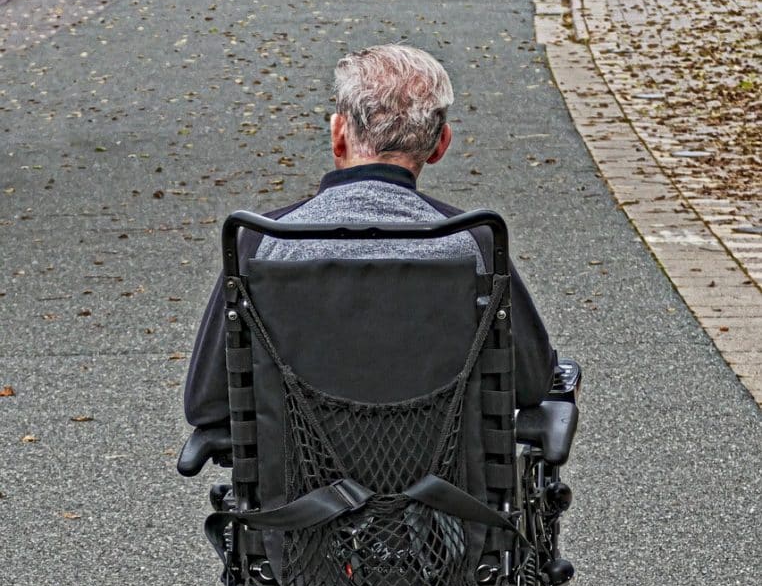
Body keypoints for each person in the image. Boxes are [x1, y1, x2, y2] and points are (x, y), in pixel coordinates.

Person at [184, 44, 555, 430]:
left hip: (299, 485)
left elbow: (206, 405)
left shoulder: (261, 242)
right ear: (440, 144)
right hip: (446, 484)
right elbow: (531, 383)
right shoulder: (472, 240)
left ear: (338, 135)